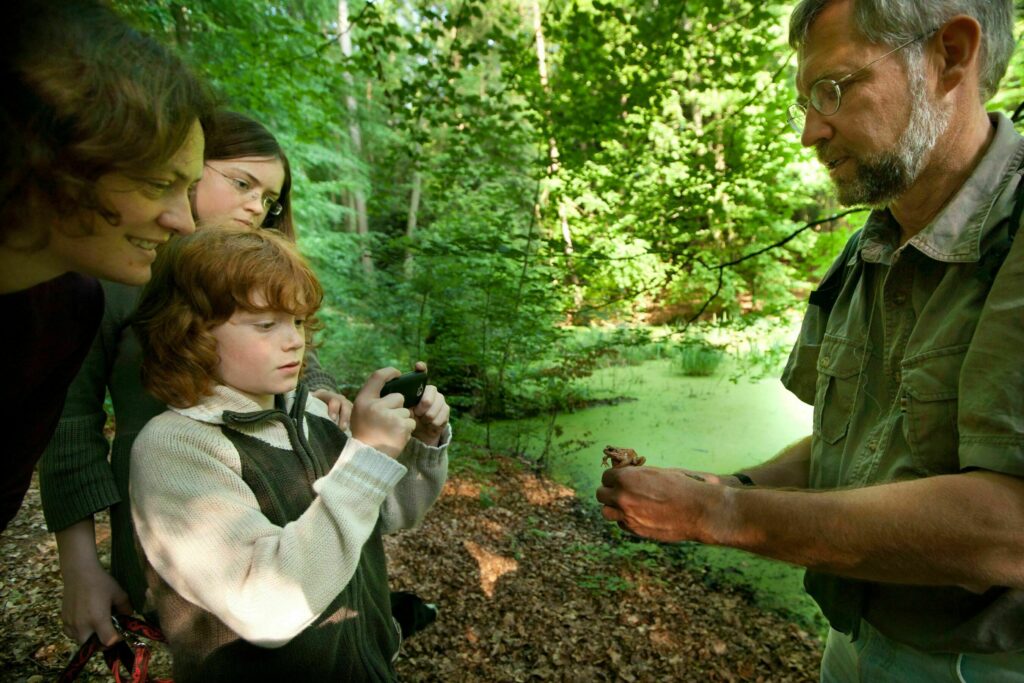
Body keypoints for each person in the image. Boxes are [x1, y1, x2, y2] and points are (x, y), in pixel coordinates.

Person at [597, 1, 1024, 680]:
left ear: (950, 54)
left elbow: (1008, 527)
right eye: (805, 99)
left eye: (834, 89)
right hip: (850, 640)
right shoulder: (869, 248)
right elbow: (843, 447)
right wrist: (715, 482)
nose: (809, 132)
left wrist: (722, 511)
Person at [39, 110, 354, 648]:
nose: (257, 206)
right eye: (242, 183)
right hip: (179, 520)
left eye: (270, 198)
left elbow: (299, 357)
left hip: (291, 503)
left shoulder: (262, 267)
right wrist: (79, 566)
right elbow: (69, 418)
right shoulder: (118, 273)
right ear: (185, 171)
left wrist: (323, 394)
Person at [130, 227, 449, 681]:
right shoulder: (177, 447)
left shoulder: (314, 412)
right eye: (266, 324)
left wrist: (422, 443)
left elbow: (395, 513)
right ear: (190, 331)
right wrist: (365, 457)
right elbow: (265, 608)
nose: (294, 341)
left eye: (297, 321)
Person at [0, 0, 212, 533]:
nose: (184, 220)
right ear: (52, 155)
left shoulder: (68, 307)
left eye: (187, 189)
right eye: (157, 183)